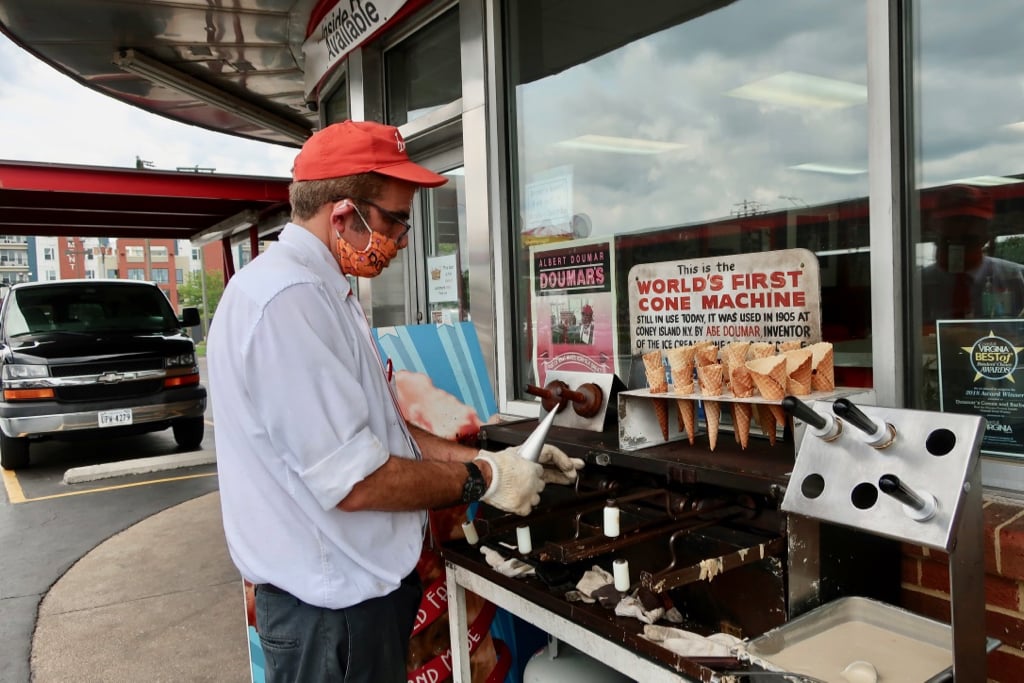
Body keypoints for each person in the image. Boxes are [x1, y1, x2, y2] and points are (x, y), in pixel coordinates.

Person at [207, 120, 583, 683]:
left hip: (349, 606)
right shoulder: (290, 303)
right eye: (396, 219)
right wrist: (484, 478)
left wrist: (501, 460)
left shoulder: (324, 291)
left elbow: (388, 435)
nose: (404, 239)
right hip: (329, 616)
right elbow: (357, 482)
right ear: (342, 214)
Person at [920, 184, 1024, 330]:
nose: (961, 226)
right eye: (948, 240)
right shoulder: (918, 286)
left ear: (986, 235)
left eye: (968, 239)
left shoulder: (1016, 278)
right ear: (935, 229)